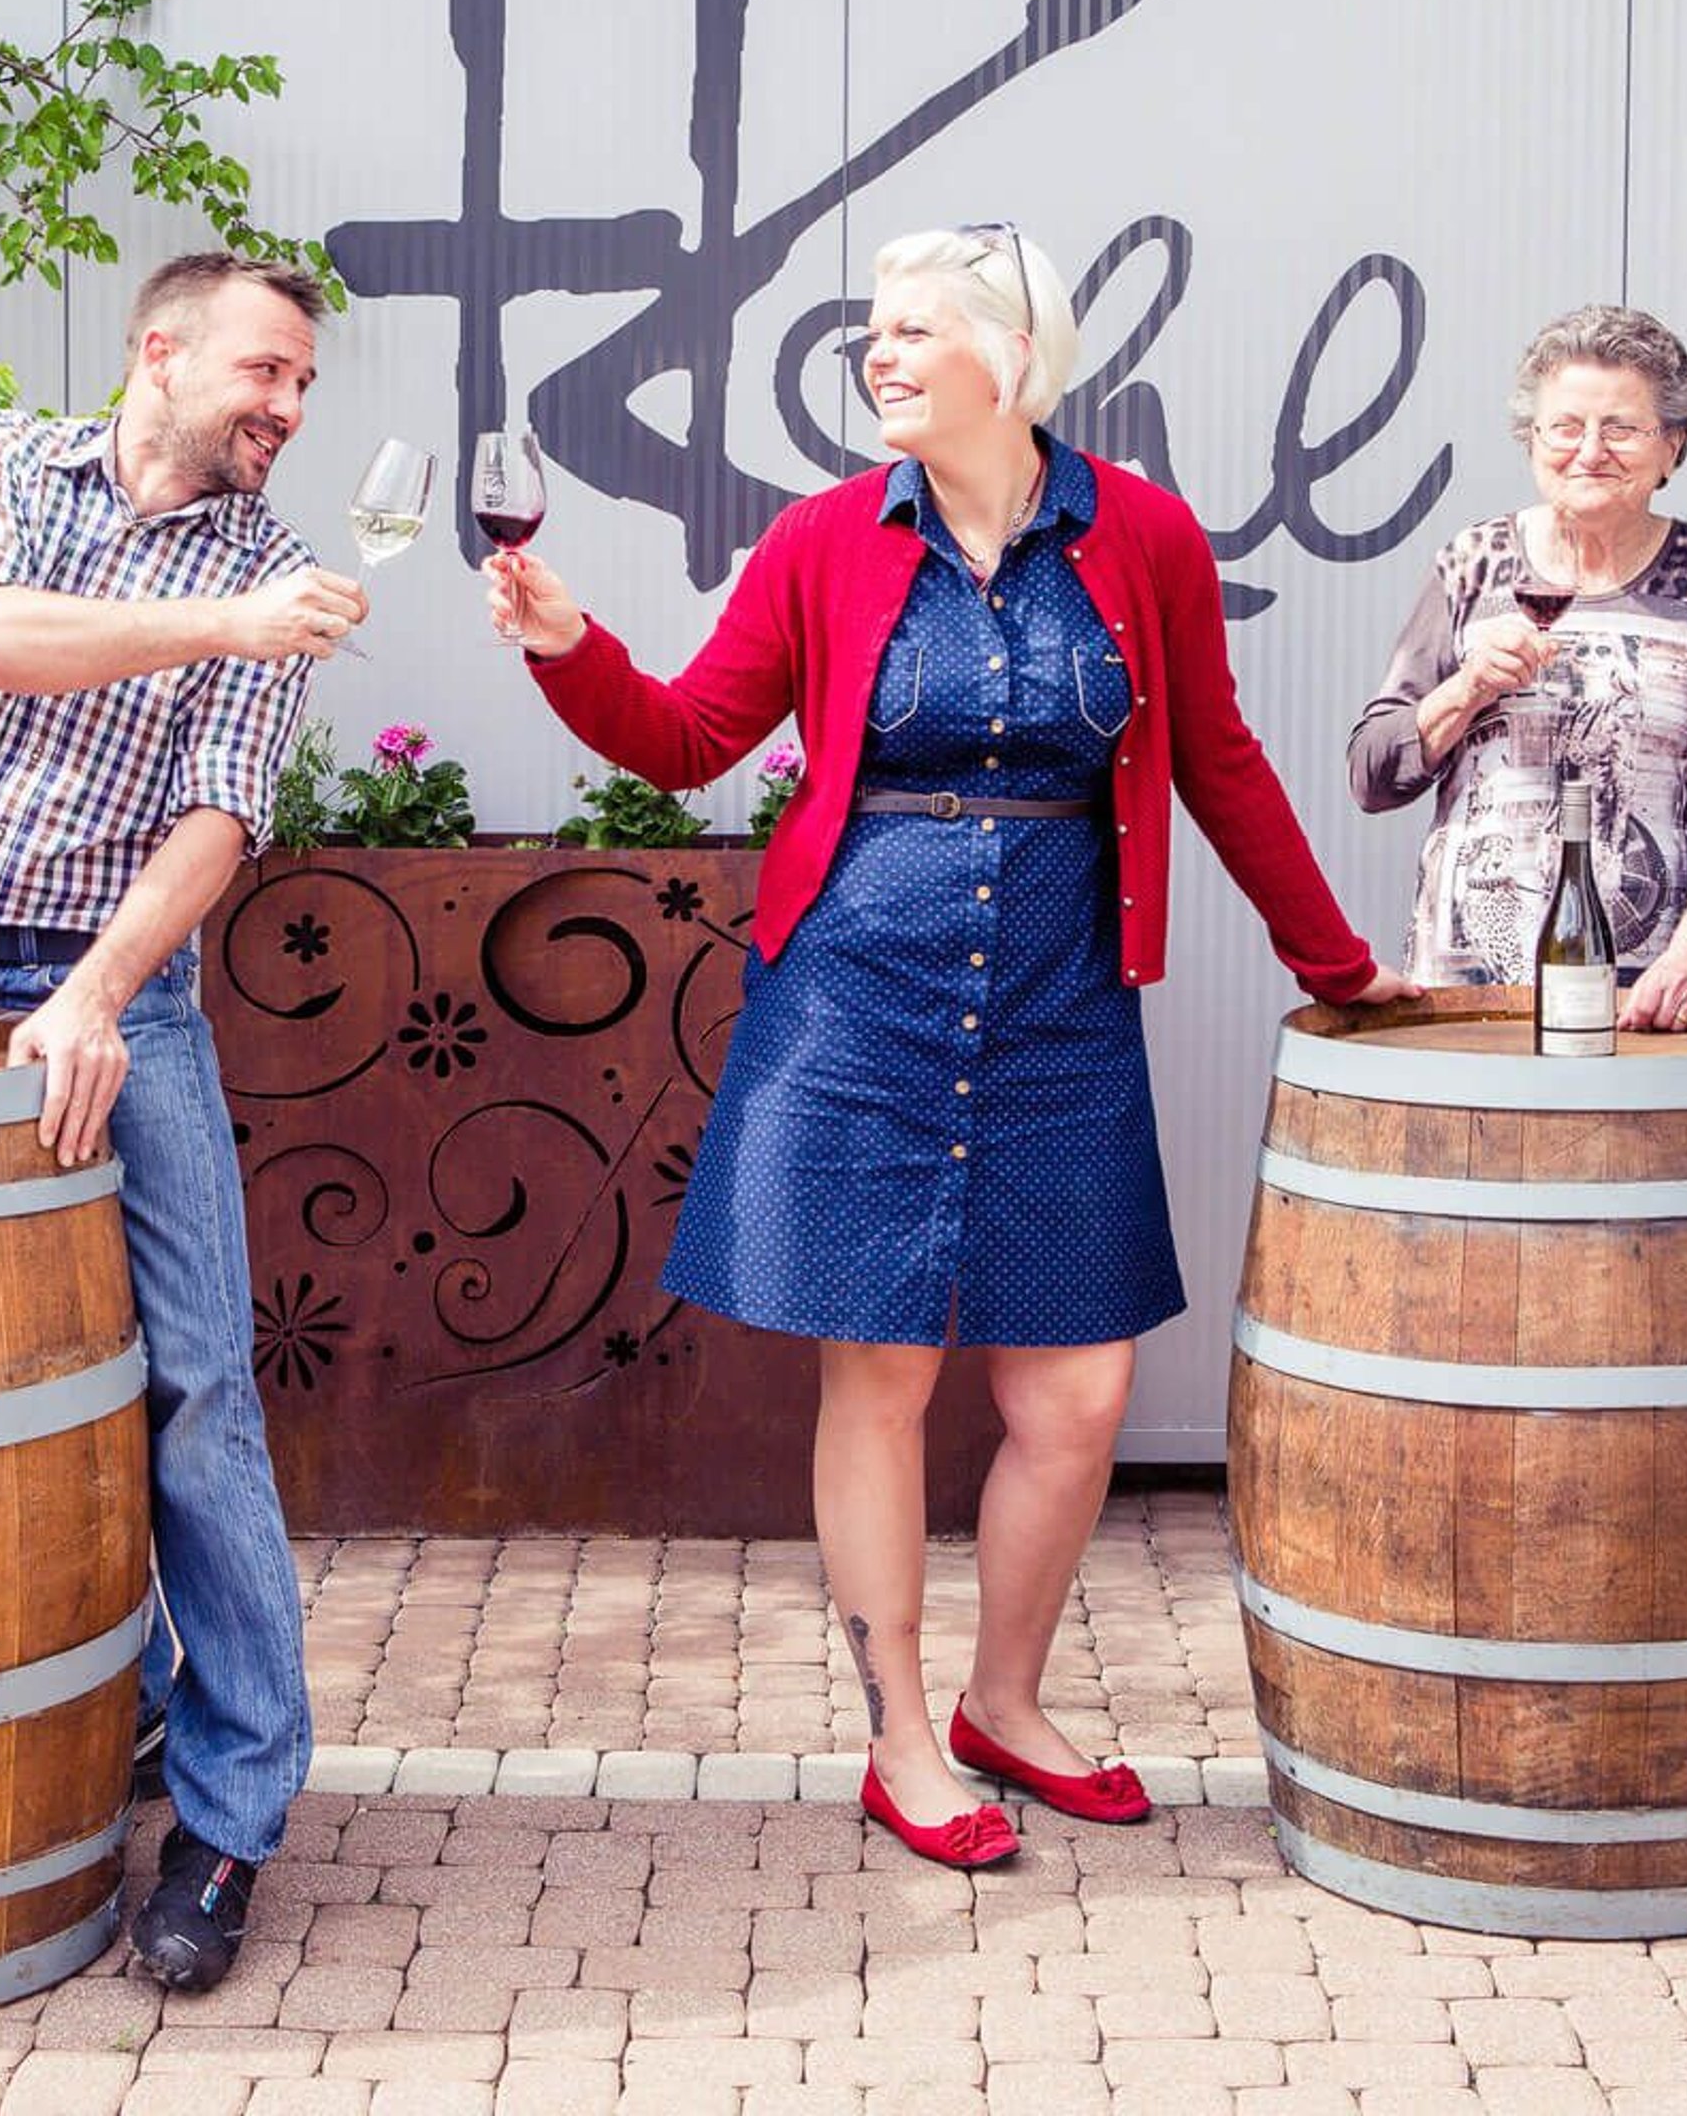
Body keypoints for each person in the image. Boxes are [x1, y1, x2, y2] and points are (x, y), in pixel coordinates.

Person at [491, 225, 1411, 1869]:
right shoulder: (825, 541)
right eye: (872, 331)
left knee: (1076, 1395)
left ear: (1012, 350)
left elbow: (1218, 758)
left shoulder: (1141, 535)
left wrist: (1338, 966)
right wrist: (576, 647)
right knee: (886, 1378)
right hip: (856, 998)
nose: (880, 355)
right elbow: (695, 737)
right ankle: (902, 1739)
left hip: (1059, 1008)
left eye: (915, 329)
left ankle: (1009, 1701)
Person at [0, 250, 366, 1988]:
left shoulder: (278, 569)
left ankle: (231, 1821)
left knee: (194, 1388)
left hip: (126, 989)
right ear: (158, 353)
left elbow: (217, 822)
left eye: (305, 387)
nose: (288, 411)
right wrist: (218, 624)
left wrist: (91, 994)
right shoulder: (11, 464)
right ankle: (114, 1708)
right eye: (265, 373)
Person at [1348, 305, 1687, 1026]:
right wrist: (1466, 689)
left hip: (1649, 996)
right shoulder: (1472, 565)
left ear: (1672, 446)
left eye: (1621, 428)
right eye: (1564, 427)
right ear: (1531, 442)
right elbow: (1372, 775)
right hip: (1475, 994)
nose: (1590, 450)